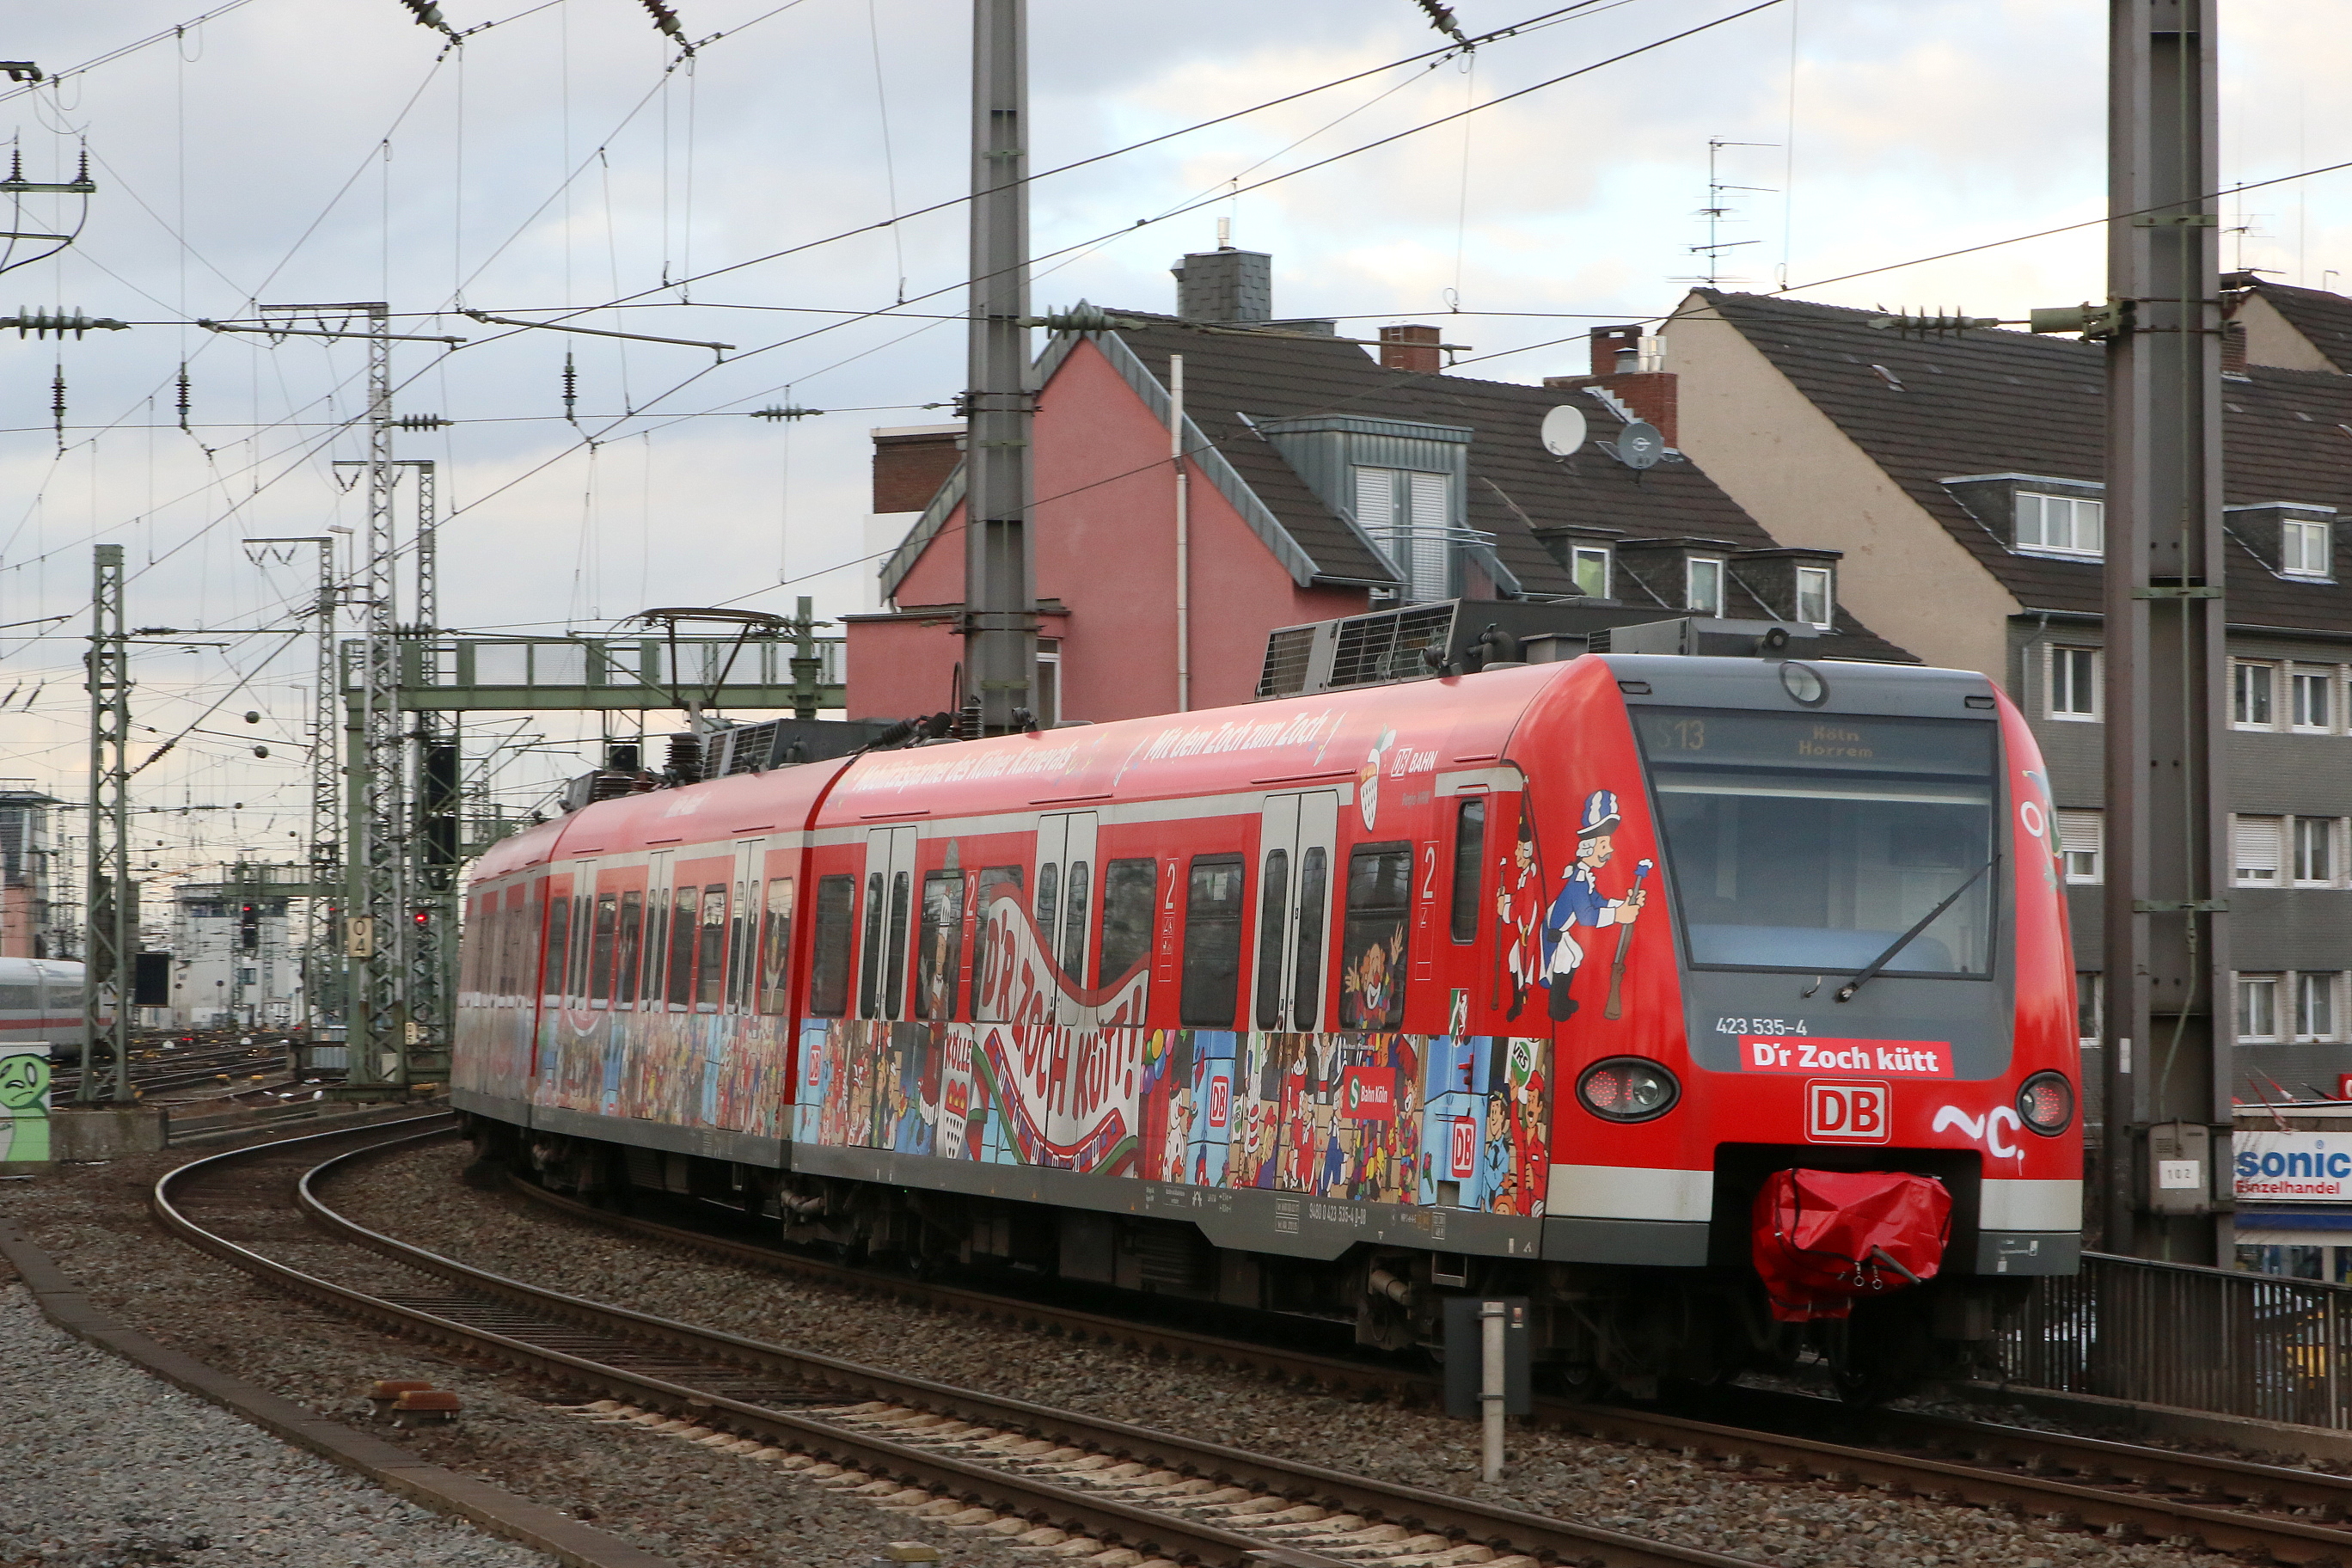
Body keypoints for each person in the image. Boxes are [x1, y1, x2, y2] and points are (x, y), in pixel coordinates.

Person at [1540, 789, 1645, 1021]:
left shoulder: (1585, 876)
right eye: (1604, 844)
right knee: (1565, 960)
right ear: (1589, 847)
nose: (1609, 850)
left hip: (1561, 931)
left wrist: (1623, 904)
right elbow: (1586, 916)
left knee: (1573, 957)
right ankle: (1557, 1008)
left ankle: (1561, 1002)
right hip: (1555, 932)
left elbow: (1597, 901)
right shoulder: (1579, 879)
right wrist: (1619, 914)